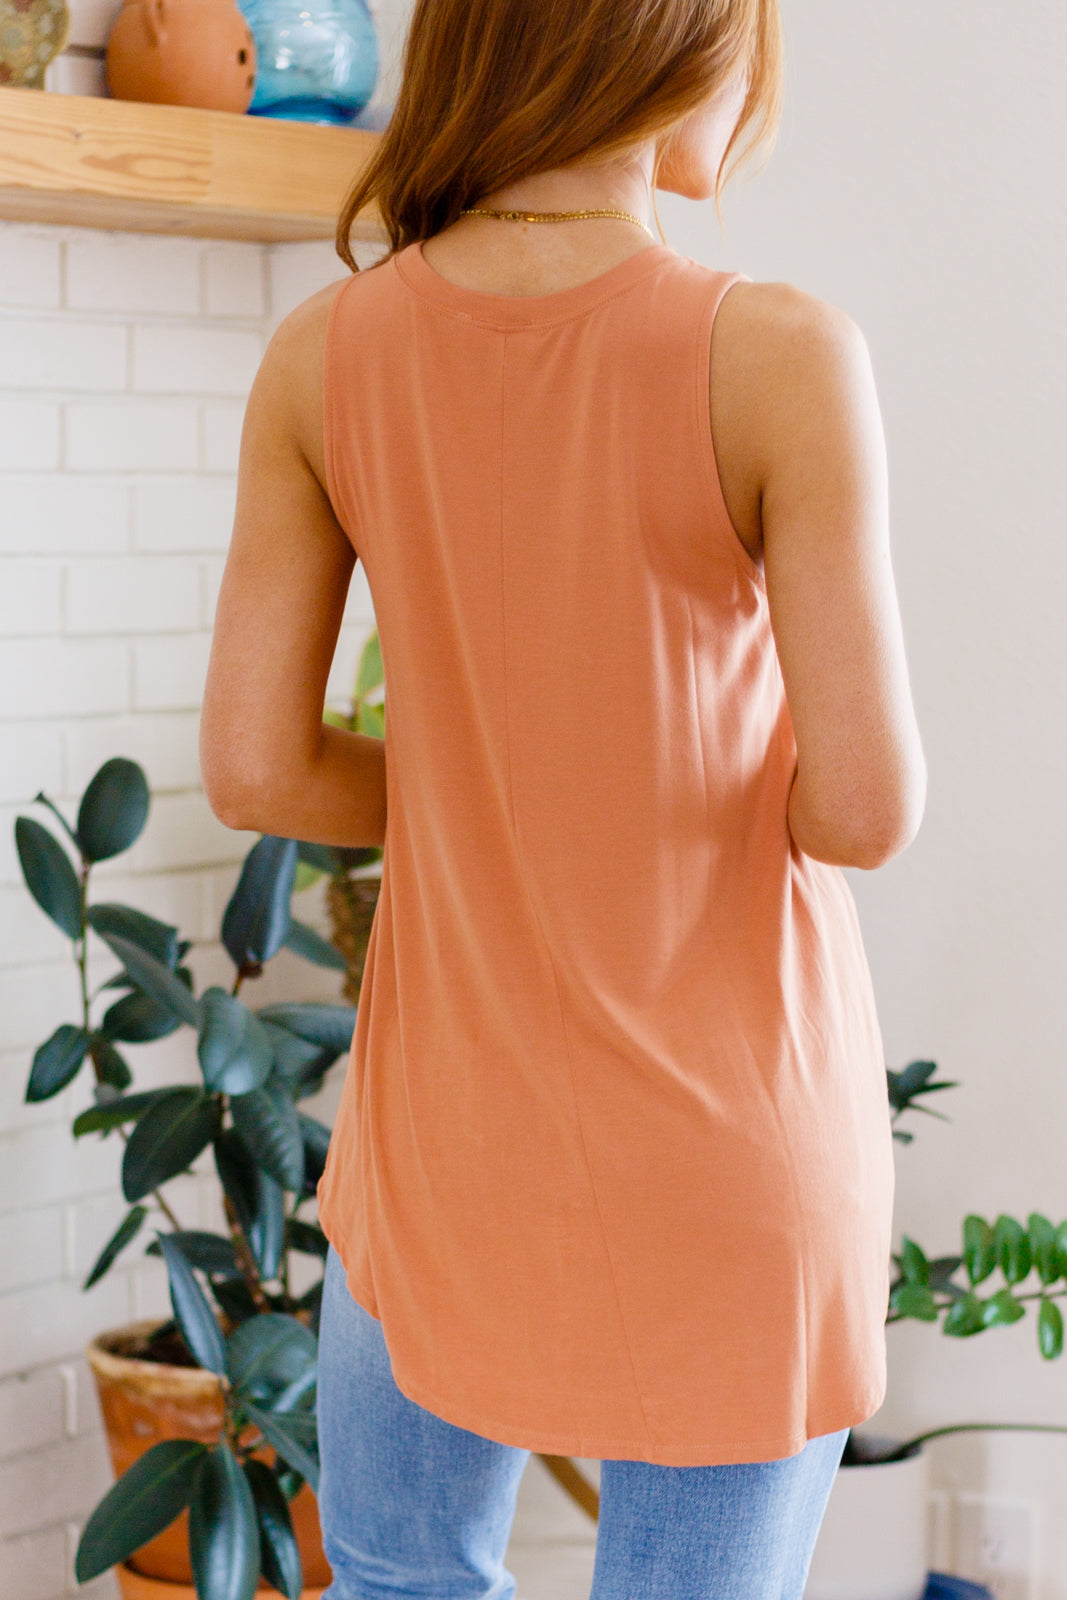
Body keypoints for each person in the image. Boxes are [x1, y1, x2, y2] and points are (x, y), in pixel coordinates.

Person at [199, 0, 928, 1593]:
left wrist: (496, 791)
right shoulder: (781, 352)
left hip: (444, 1141)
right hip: (728, 1153)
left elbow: (256, 766)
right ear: (675, 43)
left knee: (402, 1577)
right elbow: (865, 808)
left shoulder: (324, 356)